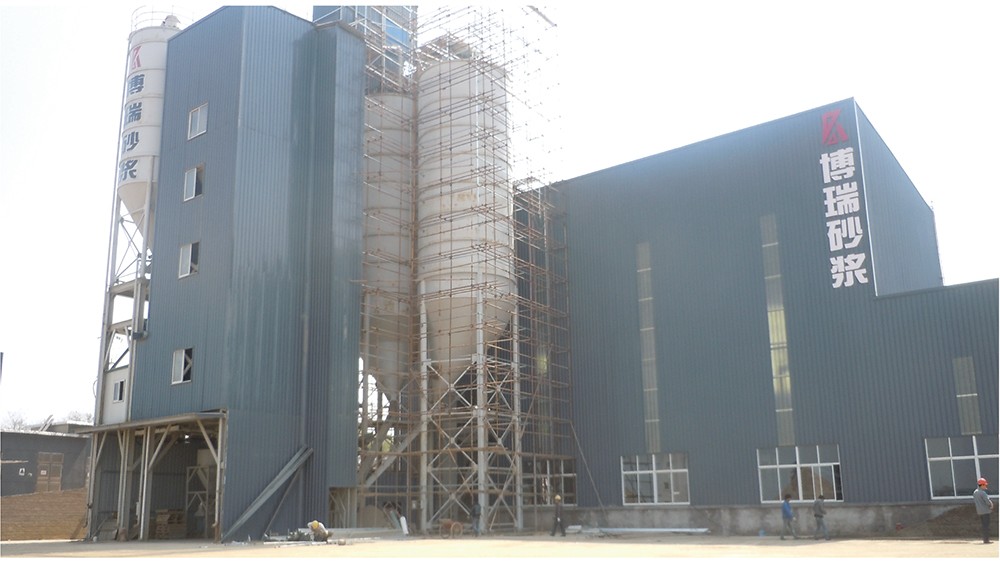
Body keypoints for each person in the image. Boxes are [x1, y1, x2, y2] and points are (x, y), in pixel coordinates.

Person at [973, 477, 994, 544]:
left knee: (984, 525)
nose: (985, 486)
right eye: (985, 485)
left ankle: (985, 539)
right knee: (986, 526)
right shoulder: (983, 493)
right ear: (981, 485)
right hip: (986, 511)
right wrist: (991, 505)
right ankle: (986, 540)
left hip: (979, 511)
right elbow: (987, 501)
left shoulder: (975, 492)